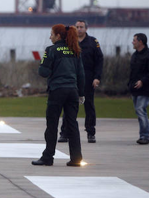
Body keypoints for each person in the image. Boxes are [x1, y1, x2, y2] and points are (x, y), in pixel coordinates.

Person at [32, 24, 84, 167]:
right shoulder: (75, 50)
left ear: (58, 36)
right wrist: (82, 93)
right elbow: (81, 74)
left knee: (52, 124)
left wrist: (43, 63)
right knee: (72, 124)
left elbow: (44, 72)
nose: (50, 37)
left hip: (57, 90)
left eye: (51, 34)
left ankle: (48, 157)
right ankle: (76, 157)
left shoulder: (51, 50)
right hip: (73, 91)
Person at [59, 20, 103, 143]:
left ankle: (90, 132)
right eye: (77, 27)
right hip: (72, 78)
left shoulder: (93, 42)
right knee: (68, 106)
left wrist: (97, 77)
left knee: (89, 106)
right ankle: (64, 133)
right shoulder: (69, 42)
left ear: (86, 29)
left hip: (88, 79)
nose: (79, 29)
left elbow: (99, 60)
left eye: (81, 27)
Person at [128, 33, 149, 145]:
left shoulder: (148, 55)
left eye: (134, 40)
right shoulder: (135, 55)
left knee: (141, 110)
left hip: (145, 89)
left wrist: (143, 81)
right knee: (139, 111)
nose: (133, 42)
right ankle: (144, 134)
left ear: (140, 42)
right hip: (134, 88)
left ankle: (145, 136)